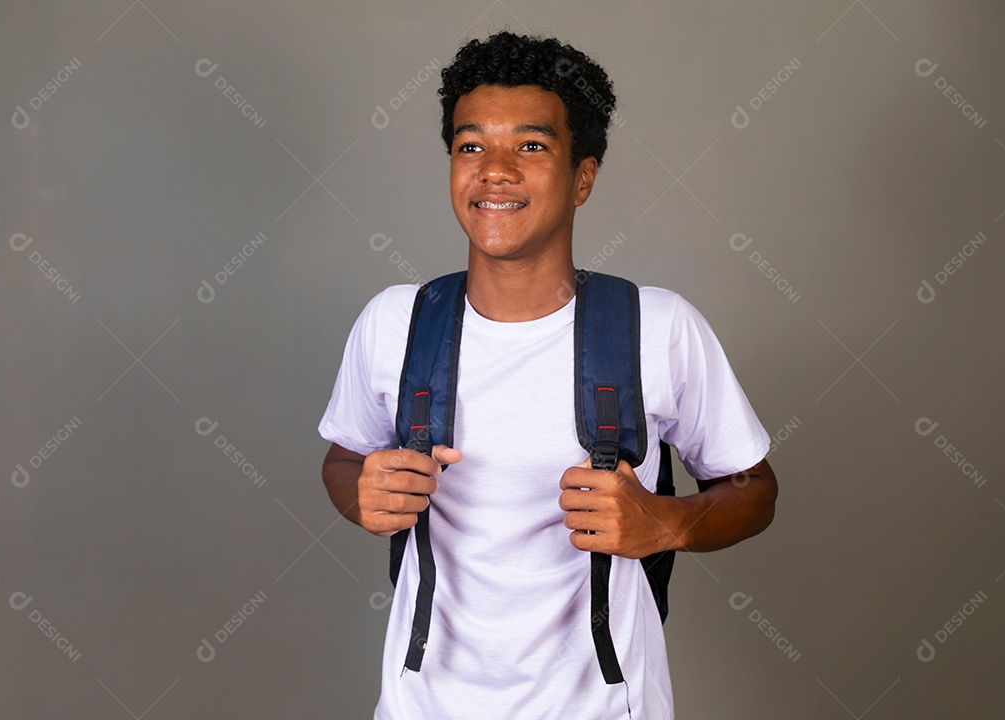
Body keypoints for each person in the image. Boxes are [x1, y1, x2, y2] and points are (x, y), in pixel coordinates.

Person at [319, 30, 778, 720]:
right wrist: (362, 494)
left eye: (530, 146)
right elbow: (343, 462)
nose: (494, 170)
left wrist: (668, 521)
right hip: (420, 707)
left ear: (582, 177)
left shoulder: (658, 327)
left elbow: (755, 490)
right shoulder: (396, 323)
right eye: (471, 146)